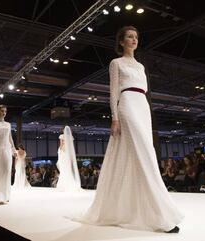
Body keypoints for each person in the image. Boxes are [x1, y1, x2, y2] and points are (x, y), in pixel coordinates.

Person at [76, 26, 183, 233]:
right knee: (143, 153)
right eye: (129, 37)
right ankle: (161, 216)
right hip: (126, 105)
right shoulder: (115, 63)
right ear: (121, 41)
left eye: (136, 37)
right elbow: (113, 92)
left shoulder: (141, 66)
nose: (134, 40)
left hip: (142, 106)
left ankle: (137, 208)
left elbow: (144, 90)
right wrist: (114, 118)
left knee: (145, 154)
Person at [0, 105, 17, 205]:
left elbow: (10, 138)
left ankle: (6, 195)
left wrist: (14, 149)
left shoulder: (8, 124)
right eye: (2, 111)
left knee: (7, 170)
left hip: (7, 149)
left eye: (5, 111)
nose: (4, 113)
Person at [56, 126, 81, 191]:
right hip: (68, 152)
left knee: (63, 168)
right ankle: (70, 182)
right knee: (67, 167)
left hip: (63, 151)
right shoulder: (70, 137)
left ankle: (63, 184)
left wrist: (59, 151)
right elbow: (71, 147)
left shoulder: (61, 136)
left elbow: (61, 145)